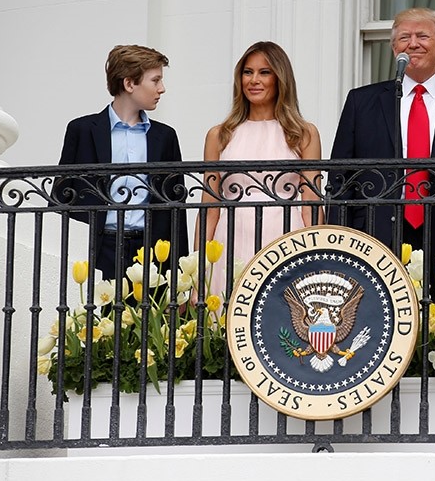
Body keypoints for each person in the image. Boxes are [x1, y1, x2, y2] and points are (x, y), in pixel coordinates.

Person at [328, 7, 435, 297]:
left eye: (423, 35)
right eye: (404, 37)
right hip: (374, 238)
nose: (413, 43)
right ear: (394, 48)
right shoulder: (362, 102)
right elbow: (340, 179)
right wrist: (336, 249)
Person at [196, 41, 323, 297]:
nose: (254, 80)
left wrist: (315, 259)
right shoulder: (219, 135)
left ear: (280, 78)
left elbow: (311, 203)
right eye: (247, 72)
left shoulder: (303, 133)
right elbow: (209, 208)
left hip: (285, 236)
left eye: (264, 72)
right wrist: (197, 268)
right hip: (230, 236)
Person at [56, 44, 189, 281]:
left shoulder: (165, 136)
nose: (162, 88)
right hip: (96, 248)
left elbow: (175, 206)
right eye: (155, 80)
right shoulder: (82, 130)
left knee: (148, 319)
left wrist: (178, 274)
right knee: (95, 317)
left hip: (149, 252)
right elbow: (62, 195)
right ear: (129, 84)